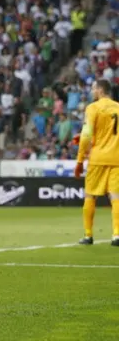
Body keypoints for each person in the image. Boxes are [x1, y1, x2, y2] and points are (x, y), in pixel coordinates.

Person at [73, 80, 119, 246]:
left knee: (90, 195)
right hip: (117, 159)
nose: (92, 91)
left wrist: (79, 160)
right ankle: (117, 235)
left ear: (100, 90)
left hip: (98, 158)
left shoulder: (93, 108)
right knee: (116, 197)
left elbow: (87, 134)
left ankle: (88, 235)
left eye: (93, 88)